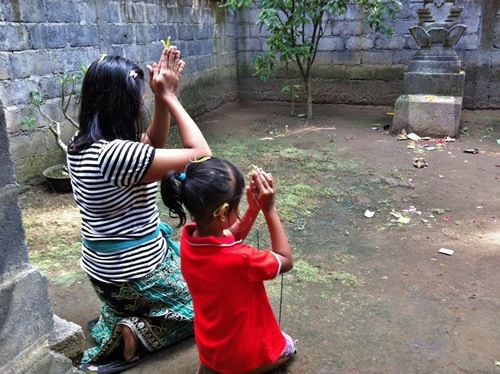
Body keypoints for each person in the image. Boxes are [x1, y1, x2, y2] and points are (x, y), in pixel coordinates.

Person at [67, 45, 212, 373]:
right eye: (139, 96)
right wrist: (172, 97)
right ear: (121, 103)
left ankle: (121, 314)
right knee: (210, 300)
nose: (143, 101)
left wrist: (161, 98)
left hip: (106, 272)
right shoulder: (116, 155)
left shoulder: (83, 143)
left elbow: (151, 145)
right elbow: (203, 156)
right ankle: (135, 334)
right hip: (135, 272)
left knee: (193, 273)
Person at [161, 157, 298, 373]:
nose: (241, 207)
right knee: (288, 347)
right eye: (239, 204)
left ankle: (211, 367)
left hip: (210, 345)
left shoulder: (189, 238)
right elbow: (285, 260)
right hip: (240, 354)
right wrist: (269, 209)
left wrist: (253, 209)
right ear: (223, 212)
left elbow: (229, 235)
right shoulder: (241, 259)